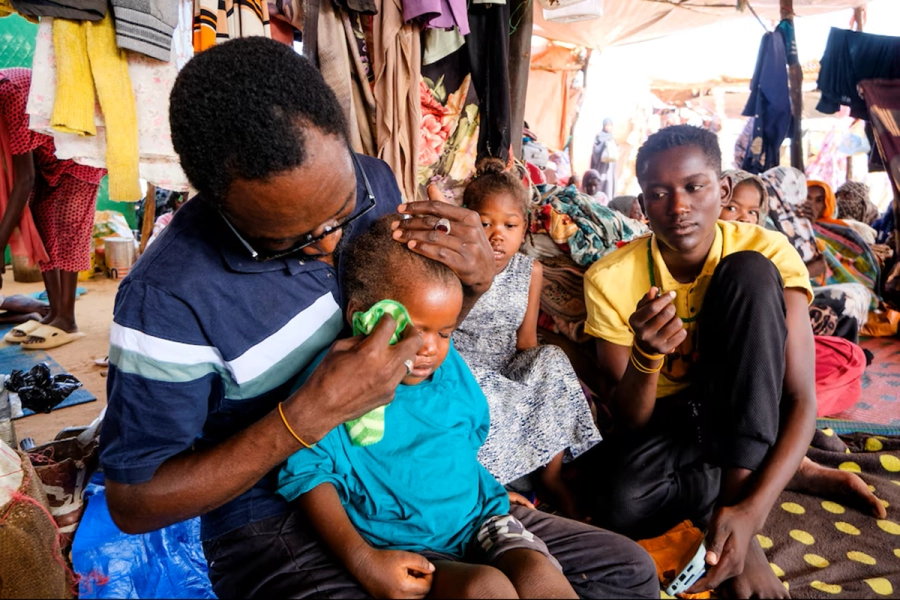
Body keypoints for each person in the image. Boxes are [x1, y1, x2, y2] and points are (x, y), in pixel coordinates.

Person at [98, 38, 501, 598]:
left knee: (614, 567)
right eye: (288, 241)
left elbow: (418, 328)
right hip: (267, 508)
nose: (333, 244)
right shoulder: (166, 301)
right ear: (216, 205)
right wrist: (303, 418)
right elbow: (134, 502)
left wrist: (475, 283)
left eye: (344, 211)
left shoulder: (374, 182)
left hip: (399, 455)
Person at [277, 216, 656, 599]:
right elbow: (306, 474)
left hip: (482, 517)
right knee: (485, 587)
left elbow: (463, 439)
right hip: (408, 546)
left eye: (444, 332)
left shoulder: (448, 367)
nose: (430, 349)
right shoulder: (334, 384)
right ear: (362, 314)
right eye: (413, 328)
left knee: (565, 569)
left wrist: (489, 487)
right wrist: (361, 559)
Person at [581, 125, 882, 599]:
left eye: (694, 187)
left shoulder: (766, 249)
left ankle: (738, 514)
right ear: (642, 206)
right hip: (678, 424)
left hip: (754, 404)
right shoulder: (611, 279)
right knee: (618, 501)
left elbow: (802, 397)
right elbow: (629, 423)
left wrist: (749, 516)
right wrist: (646, 357)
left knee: (747, 272)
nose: (678, 207)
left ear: (721, 190)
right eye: (659, 194)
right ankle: (786, 467)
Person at [453, 159, 601, 519]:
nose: (496, 234)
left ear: (524, 229)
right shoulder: (452, 267)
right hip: (460, 374)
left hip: (506, 367)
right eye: (484, 223)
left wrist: (548, 388)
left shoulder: (529, 270)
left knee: (551, 359)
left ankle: (550, 478)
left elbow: (526, 341)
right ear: (465, 223)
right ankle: (494, 481)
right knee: (482, 390)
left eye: (509, 225)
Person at [0, 68, 106, 349]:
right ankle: (53, 315)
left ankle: (67, 319)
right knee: (42, 225)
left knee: (69, 229)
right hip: (50, 156)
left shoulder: (9, 93)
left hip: (80, 153)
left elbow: (24, 178)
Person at [589, 118, 617, 200]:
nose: (608, 127)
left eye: (610, 125)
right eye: (607, 125)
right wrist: (604, 145)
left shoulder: (612, 136)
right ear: (603, 126)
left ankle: (608, 199)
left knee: (608, 182)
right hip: (600, 165)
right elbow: (595, 150)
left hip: (610, 166)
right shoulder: (599, 136)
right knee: (600, 180)